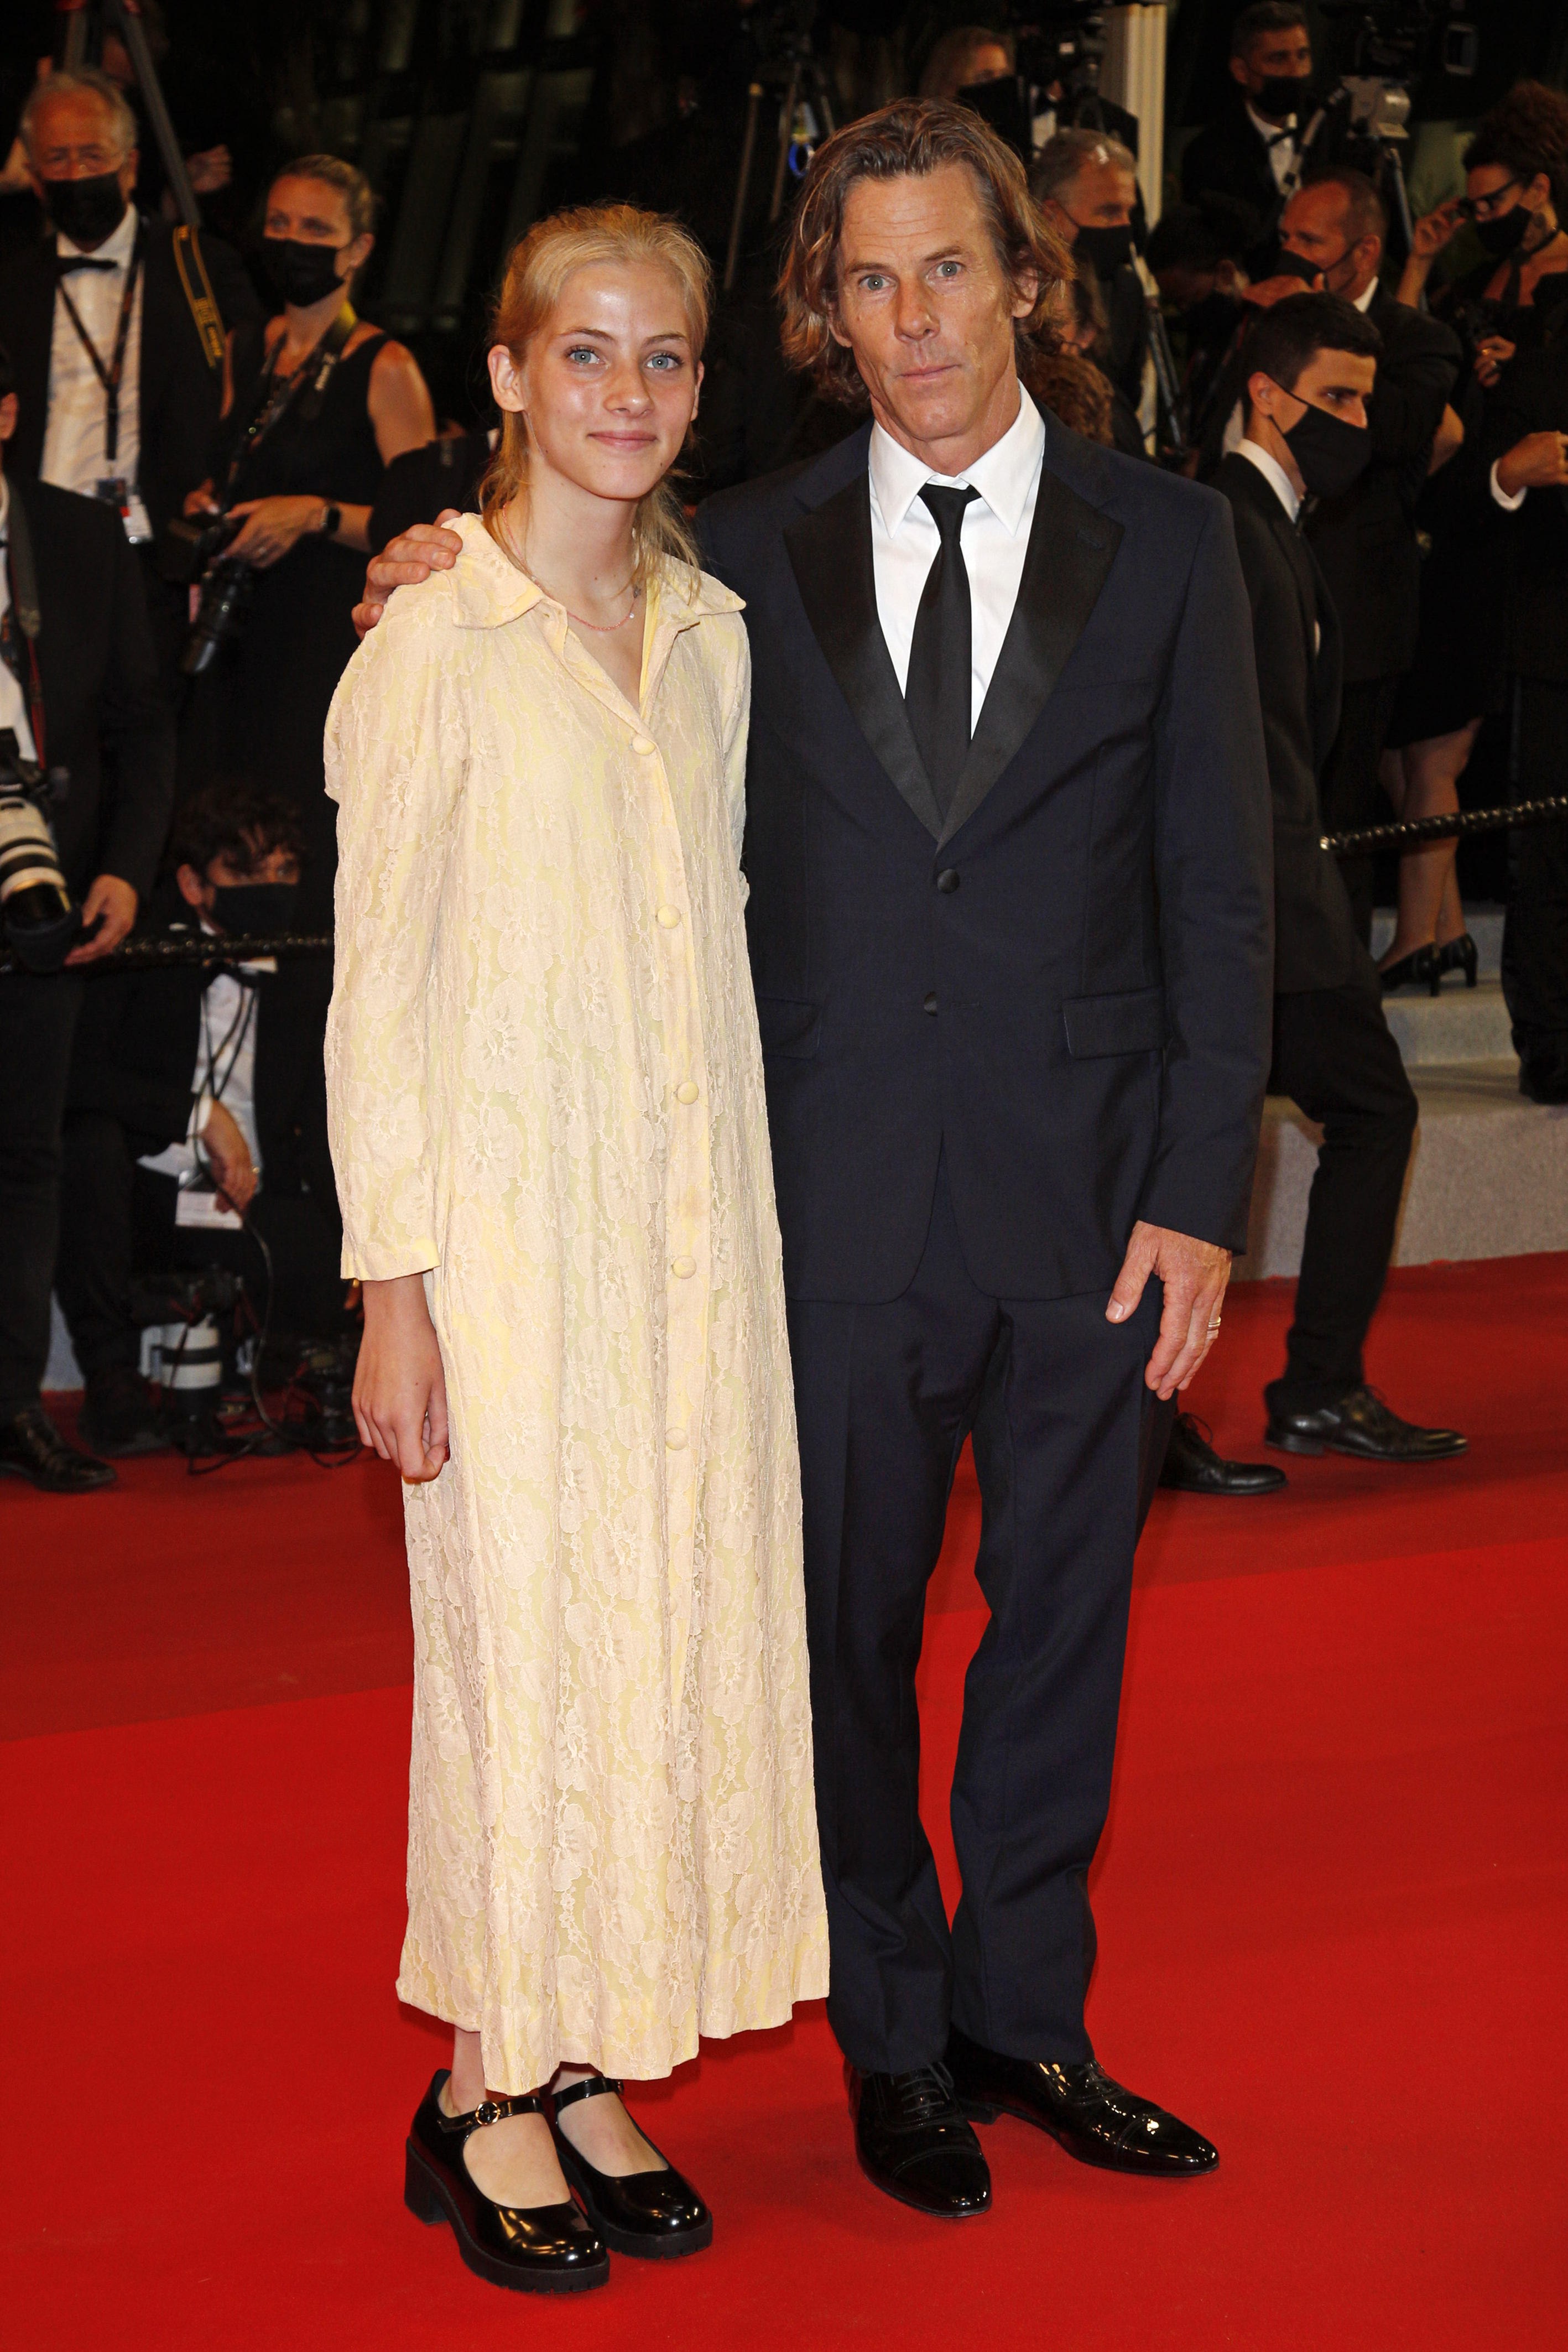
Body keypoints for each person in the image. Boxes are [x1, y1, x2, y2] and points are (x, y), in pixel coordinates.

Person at [363, 99, 1277, 2219]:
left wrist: (1196, 1188)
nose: (909, 317)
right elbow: (550, 603)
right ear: (823, 314)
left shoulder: (1167, 542)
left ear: (1024, 280)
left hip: (1089, 1196)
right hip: (823, 1206)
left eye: (945, 267)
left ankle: (1020, 2017)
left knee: (1062, 1624)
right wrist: (429, 554)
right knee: (841, 1639)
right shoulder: (737, 558)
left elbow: (1219, 890)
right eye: (864, 280)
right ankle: (890, 2040)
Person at [326, 202, 828, 2293]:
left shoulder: (713, 635)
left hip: (695, 1241)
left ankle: (590, 2047)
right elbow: (382, 981)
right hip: (509, 1249)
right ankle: (479, 2088)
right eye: (586, 354)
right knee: (521, 1663)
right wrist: (394, 1286)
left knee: (664, 1641)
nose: (626, 394)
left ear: (701, 387)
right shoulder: (432, 638)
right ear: (508, 375)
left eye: (666, 358)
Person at [1178, 294, 1466, 1492]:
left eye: (1364, 398)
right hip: (1265, 915)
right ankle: (1312, 1387)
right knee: (1364, 1115)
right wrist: (1291, 919)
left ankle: (1202, 1413)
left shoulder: (1267, 523)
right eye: (1336, 399)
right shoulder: (1232, 526)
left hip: (1273, 903)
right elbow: (1231, 751)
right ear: (1268, 395)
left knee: (1195, 1155)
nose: (1357, 423)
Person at [0, 338, 174, 1495]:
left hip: (47, 898)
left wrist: (123, 866)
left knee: (25, 1158)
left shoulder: (74, 535)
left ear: (9, 409)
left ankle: (15, 1402)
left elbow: (143, 721)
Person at [54, 781, 348, 1456]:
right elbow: (76, 1078)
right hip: (150, 1194)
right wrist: (196, 1115)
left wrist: (365, 1246)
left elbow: (324, 1115)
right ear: (192, 883)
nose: (270, 888)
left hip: (251, 1200)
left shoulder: (307, 969)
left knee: (325, 1267)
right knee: (86, 1150)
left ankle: (273, 1365)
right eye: (244, 872)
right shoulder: (139, 956)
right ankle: (113, 1377)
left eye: (283, 871)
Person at [182, 153, 434, 933]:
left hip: (322, 638)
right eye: (280, 224)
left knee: (295, 829)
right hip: (237, 632)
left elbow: (425, 526)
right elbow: (234, 461)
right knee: (214, 810)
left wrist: (315, 513)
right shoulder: (249, 347)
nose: (292, 241)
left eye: (315, 229)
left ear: (357, 248)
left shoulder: (385, 366)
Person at [1379, 82, 1568, 993]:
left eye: (1492, 203)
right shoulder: (1473, 281)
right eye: (1473, 204)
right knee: (1412, 744)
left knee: (1443, 749)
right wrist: (1420, 260)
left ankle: (1430, 934)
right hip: (1459, 525)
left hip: (1527, 548)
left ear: (1538, 188)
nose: (1481, 217)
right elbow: (1405, 354)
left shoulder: (1566, 277)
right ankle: (1442, 929)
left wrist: (1518, 370)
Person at [0, 66, 259, 685]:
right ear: (35, 179)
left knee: (148, 742)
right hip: (32, 558)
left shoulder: (200, 269)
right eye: (57, 159)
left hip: (155, 561)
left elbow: (257, 389)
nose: (75, 174)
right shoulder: (11, 286)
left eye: (92, 154)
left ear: (130, 166)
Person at [1265, 170, 1461, 951]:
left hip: (1359, 615)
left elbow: (1397, 434)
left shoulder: (1417, 341)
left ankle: (1333, 1018)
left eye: (1308, 242)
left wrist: (1309, 359)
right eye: (1287, 237)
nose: (1290, 253)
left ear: (1365, 250)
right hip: (1261, 600)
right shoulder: (1266, 320)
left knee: (1339, 820)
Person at [1484, 344, 1568, 1102]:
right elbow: (1469, 496)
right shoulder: (1545, 358)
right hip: (1555, 650)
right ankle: (1549, 1043)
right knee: (1546, 849)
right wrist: (1509, 475)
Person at [1181, 3, 1318, 269]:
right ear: (1241, 71)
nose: (1296, 71)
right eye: (1278, 59)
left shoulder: (1330, 127)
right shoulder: (1209, 155)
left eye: (1302, 56)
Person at [1030, 127, 1150, 420]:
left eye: (1128, 212)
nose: (1124, 226)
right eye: (1109, 212)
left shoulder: (1126, 292)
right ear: (1051, 216)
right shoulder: (1018, 292)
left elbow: (1128, 393)